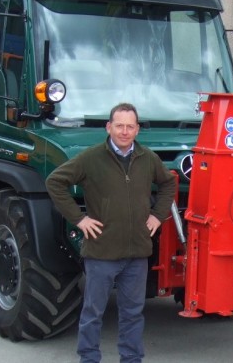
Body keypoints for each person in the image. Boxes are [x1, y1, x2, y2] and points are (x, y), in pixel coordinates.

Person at [46, 103, 176, 363]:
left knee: (133, 314)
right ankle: (89, 358)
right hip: (101, 252)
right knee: (93, 312)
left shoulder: (147, 158)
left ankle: (131, 359)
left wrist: (157, 216)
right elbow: (55, 182)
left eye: (130, 126)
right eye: (119, 126)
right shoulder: (91, 158)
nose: (124, 132)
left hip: (137, 254)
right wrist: (80, 220)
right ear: (109, 127)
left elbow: (169, 183)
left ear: (137, 129)